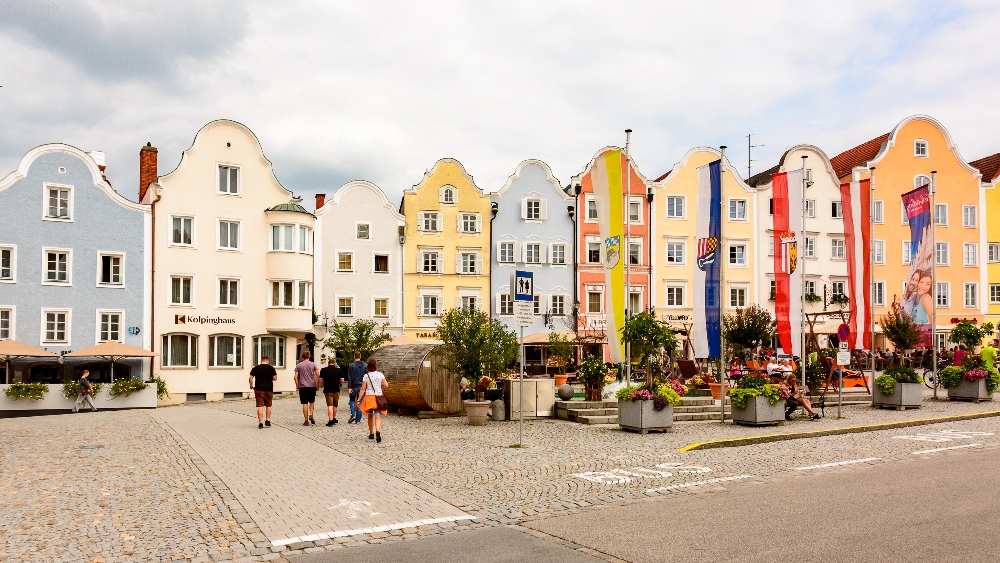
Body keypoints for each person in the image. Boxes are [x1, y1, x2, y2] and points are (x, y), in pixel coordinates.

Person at [358, 358, 390, 443]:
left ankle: (371, 433)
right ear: (375, 366)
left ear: (368, 367)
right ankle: (378, 431)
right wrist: (381, 385)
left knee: (370, 415)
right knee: (377, 415)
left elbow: (363, 389)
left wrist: (359, 399)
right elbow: (386, 385)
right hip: (378, 397)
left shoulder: (366, 376)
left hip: (369, 398)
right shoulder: (380, 374)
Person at [249, 356, 277, 429]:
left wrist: (251, 386)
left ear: (261, 361)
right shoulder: (271, 368)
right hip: (269, 389)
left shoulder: (256, 368)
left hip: (258, 389)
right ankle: (267, 420)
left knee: (260, 406)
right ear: (268, 361)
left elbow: (250, 378)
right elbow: (275, 378)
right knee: (268, 405)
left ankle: (260, 422)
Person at [293, 351, 320, 426]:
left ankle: (306, 420)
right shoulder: (313, 364)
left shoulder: (299, 365)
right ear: (309, 356)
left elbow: (295, 377)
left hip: (303, 386)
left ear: (302, 357)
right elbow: (318, 375)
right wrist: (317, 384)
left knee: (304, 403)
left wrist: (297, 385)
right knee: (312, 401)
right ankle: (311, 414)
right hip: (312, 386)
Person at [320, 358, 344, 426]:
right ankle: (334, 418)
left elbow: (320, 380)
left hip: (327, 389)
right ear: (334, 363)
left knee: (330, 405)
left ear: (328, 363)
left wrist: (325, 381)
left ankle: (330, 421)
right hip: (336, 389)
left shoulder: (323, 370)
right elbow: (342, 380)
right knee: (335, 405)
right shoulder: (339, 370)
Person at [347, 352, 367, 424]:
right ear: (360, 356)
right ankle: (358, 419)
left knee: (352, 400)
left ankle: (353, 414)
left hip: (354, 386)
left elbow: (350, 377)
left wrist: (349, 386)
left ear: (354, 356)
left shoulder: (352, 365)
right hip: (362, 386)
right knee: (360, 402)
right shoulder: (365, 365)